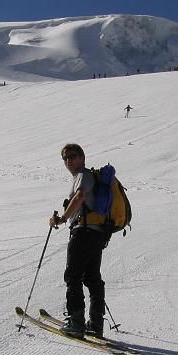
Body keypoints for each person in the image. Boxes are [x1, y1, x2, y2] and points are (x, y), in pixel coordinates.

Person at [48, 144, 108, 338]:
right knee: (92, 278)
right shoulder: (86, 177)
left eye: (73, 156)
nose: (68, 161)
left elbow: (80, 196)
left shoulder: (83, 176)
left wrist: (63, 218)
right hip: (98, 234)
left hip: (83, 232)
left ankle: (76, 323)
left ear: (82, 157)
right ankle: (95, 324)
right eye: (65, 158)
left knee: (72, 276)